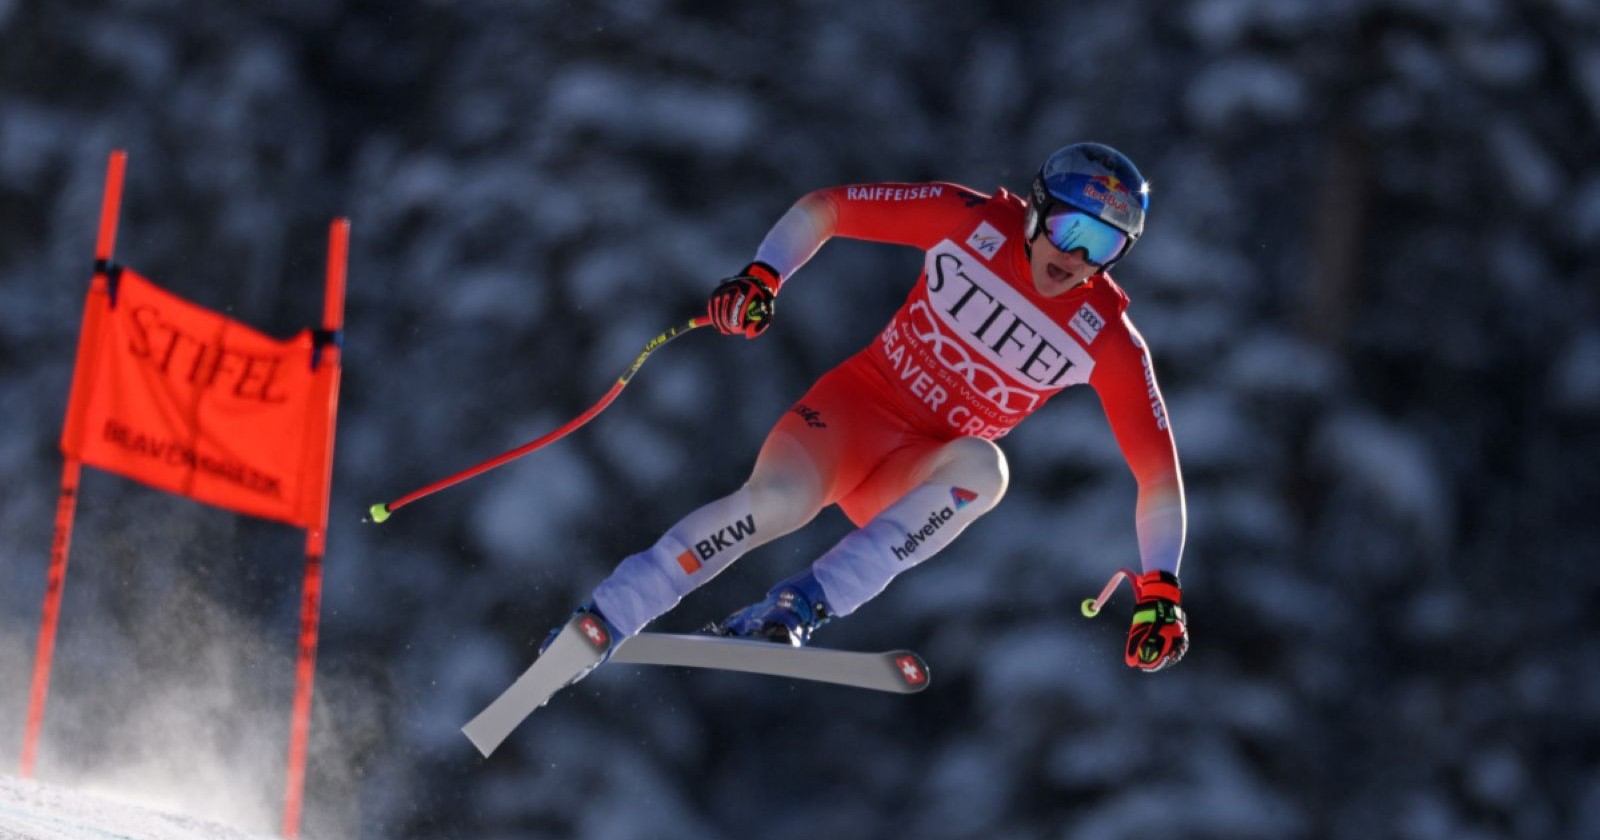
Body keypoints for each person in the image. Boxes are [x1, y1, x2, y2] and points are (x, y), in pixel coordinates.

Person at [561, 142, 1188, 677]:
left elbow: (1158, 472)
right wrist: (762, 276)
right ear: (1035, 211)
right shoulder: (969, 221)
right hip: (849, 419)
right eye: (1068, 228)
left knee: (985, 470)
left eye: (1102, 243)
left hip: (912, 475)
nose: (1075, 257)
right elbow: (828, 208)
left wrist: (1161, 588)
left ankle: (804, 603)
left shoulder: (1105, 334)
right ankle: (610, 614)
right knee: (774, 505)